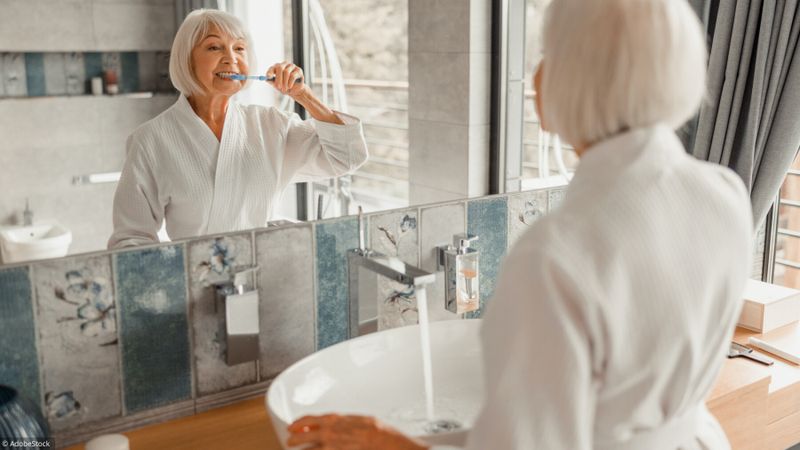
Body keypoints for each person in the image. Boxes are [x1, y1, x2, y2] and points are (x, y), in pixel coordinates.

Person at [286, 0, 753, 448]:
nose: (535, 74)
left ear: (577, 77)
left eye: (549, 54)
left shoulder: (555, 254)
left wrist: (387, 445)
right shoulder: (724, 193)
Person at [108, 9, 368, 249]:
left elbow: (346, 157)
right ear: (186, 60)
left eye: (239, 48)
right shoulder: (151, 140)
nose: (231, 58)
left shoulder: (270, 125)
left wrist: (304, 95)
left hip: (265, 271)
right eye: (214, 47)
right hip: (195, 277)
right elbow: (132, 239)